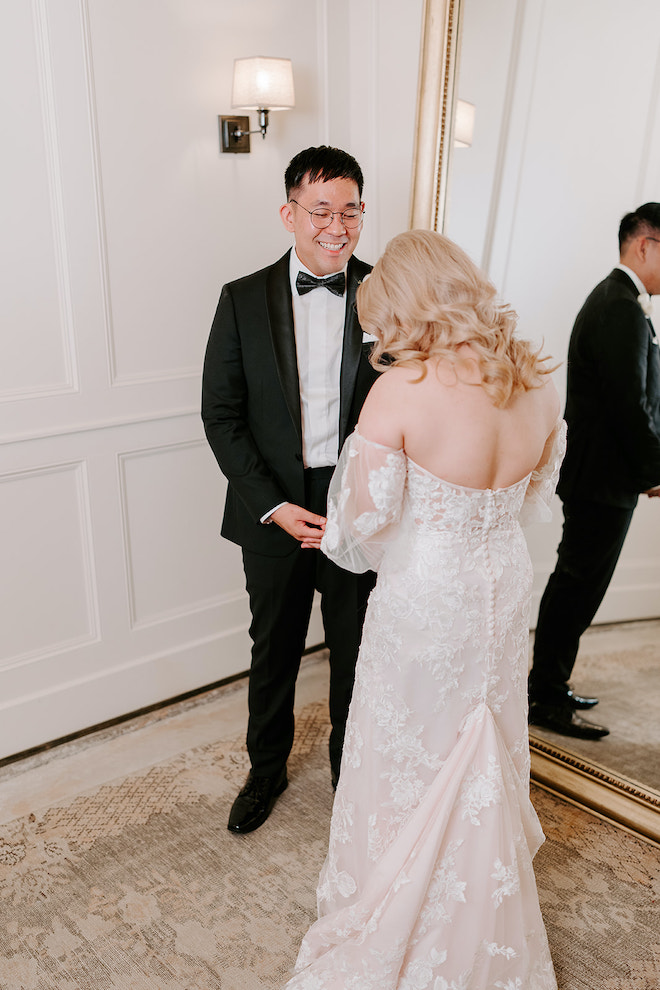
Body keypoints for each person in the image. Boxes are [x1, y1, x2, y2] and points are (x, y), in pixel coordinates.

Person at [286, 229, 563, 989]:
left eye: (383, 318)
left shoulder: (402, 391)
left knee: (408, 748)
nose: (379, 336)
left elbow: (358, 527)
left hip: (429, 595)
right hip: (504, 585)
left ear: (413, 307)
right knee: (486, 733)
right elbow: (535, 496)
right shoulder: (538, 380)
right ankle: (478, 904)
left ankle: (399, 911)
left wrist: (338, 528)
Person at [202, 146, 377, 835]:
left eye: (351, 210)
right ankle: (265, 771)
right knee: (272, 649)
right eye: (321, 210)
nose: (337, 226)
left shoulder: (386, 290)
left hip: (357, 500)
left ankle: (352, 777)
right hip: (272, 504)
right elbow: (221, 414)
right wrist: (272, 506)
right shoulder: (241, 298)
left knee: (357, 647)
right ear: (290, 214)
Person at [528, 203, 660, 741]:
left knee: (578, 585)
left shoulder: (620, 301)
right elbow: (629, 403)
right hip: (602, 477)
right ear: (645, 245)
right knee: (578, 586)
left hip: (603, 475)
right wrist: (654, 469)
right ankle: (546, 696)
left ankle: (549, 687)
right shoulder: (619, 306)